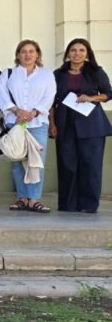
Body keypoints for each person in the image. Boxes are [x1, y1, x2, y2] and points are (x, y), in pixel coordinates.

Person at [49, 38, 112, 213]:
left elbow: (108, 93)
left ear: (87, 54)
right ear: (68, 53)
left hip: (91, 124)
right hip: (65, 123)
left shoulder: (96, 72)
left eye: (81, 50)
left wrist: (91, 98)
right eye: (73, 50)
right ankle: (68, 205)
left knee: (90, 165)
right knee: (67, 165)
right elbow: (51, 101)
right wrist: (52, 124)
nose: (77, 54)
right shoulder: (57, 74)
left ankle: (89, 205)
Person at [0, 39, 56, 213]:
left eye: (31, 51)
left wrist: (34, 113)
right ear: (17, 55)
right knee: (18, 161)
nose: (27, 55)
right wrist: (17, 111)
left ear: (37, 54)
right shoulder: (8, 74)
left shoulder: (46, 75)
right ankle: (22, 198)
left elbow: (49, 97)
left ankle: (34, 199)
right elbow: (2, 96)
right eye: (23, 51)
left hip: (37, 123)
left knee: (36, 162)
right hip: (15, 123)